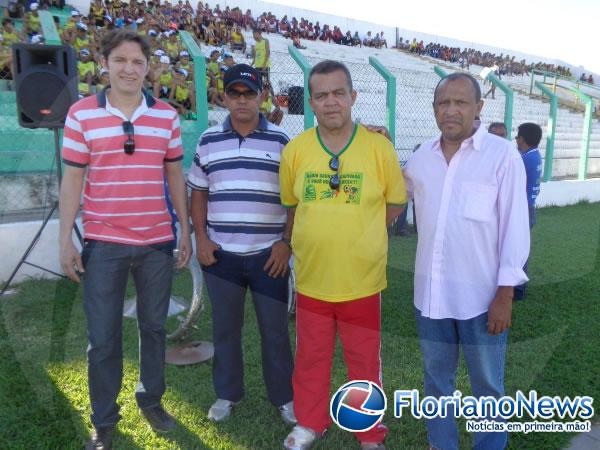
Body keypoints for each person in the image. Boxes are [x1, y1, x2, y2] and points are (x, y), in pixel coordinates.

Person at [58, 30, 192, 450]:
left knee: (153, 329)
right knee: (103, 338)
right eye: (120, 60)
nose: (129, 69)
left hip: (156, 242)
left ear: (148, 67)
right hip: (103, 242)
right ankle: (104, 420)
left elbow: (174, 175)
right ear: (105, 63)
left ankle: (151, 400)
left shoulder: (166, 116)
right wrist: (65, 240)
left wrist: (184, 229)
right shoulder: (81, 114)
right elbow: (73, 179)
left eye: (137, 62)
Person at [280, 60, 407, 450]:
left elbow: (394, 205)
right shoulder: (296, 150)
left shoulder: (379, 147)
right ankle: (310, 423)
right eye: (321, 95)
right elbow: (292, 206)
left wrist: (361, 238)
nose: (330, 102)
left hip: (363, 282)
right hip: (314, 280)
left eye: (338, 93)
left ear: (353, 97)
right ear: (311, 103)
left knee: (364, 363)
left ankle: (369, 433)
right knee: (311, 359)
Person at [402, 72, 530, 450]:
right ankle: (441, 445)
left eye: (461, 102)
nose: (452, 110)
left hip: (482, 300)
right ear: (434, 110)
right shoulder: (420, 159)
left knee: (488, 386)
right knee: (436, 381)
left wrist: (505, 295)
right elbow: (390, 194)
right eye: (444, 103)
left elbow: (515, 229)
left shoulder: (502, 156)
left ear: (479, 108)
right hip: (431, 298)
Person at [187, 64, 296, 426]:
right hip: (221, 256)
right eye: (235, 93)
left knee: (275, 331)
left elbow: (294, 200)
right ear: (224, 97)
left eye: (249, 93)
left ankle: (284, 398)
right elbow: (199, 194)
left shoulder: (281, 141)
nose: (242, 100)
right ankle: (227, 394)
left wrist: (286, 243)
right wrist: (201, 238)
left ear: (262, 96)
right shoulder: (208, 140)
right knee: (225, 329)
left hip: (270, 256)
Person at [514, 122, 542, 300]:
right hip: (528, 208)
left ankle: (518, 290)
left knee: (517, 250)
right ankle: (518, 288)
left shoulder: (524, 159)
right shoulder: (534, 155)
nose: (515, 140)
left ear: (522, 139)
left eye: (517, 136)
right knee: (519, 249)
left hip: (523, 210)